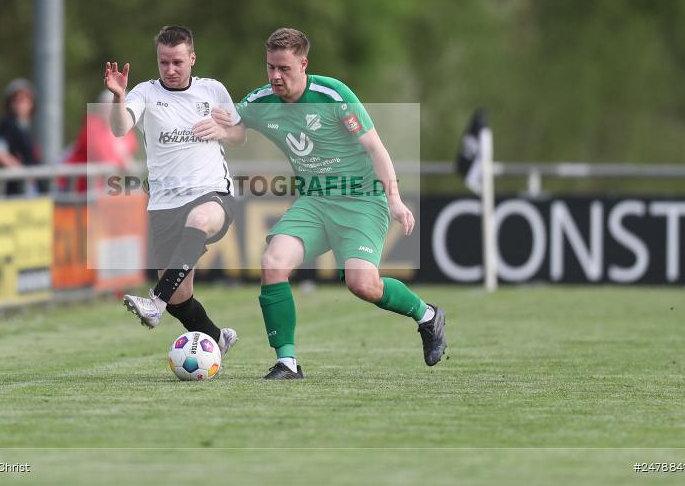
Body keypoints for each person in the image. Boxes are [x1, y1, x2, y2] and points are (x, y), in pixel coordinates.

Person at [211, 27, 447, 379]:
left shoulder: (332, 94)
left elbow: (376, 150)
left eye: (284, 68)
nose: (276, 76)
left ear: (304, 64)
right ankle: (287, 363)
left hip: (362, 201)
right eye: (270, 67)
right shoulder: (261, 99)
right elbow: (238, 130)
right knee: (273, 263)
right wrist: (219, 130)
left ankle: (427, 316)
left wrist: (395, 200)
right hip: (315, 202)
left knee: (362, 284)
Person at [104, 25, 245, 358]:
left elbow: (240, 135)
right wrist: (118, 96)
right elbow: (119, 127)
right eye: (164, 62)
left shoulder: (213, 90)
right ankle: (216, 338)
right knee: (181, 297)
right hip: (165, 204)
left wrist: (225, 130)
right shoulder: (145, 92)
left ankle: (154, 303)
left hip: (213, 194)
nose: (170, 69)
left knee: (199, 218)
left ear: (192, 59)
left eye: (178, 62)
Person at [60, 90, 139, 192]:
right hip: (74, 188)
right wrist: (123, 161)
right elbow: (103, 156)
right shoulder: (92, 125)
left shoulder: (125, 130)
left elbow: (131, 152)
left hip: (101, 189)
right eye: (106, 106)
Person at [0, 78, 42, 195]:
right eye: (16, 99)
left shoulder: (25, 128)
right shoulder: (8, 124)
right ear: (10, 103)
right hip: (14, 190)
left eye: (25, 99)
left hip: (27, 189)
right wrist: (23, 173)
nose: (21, 103)